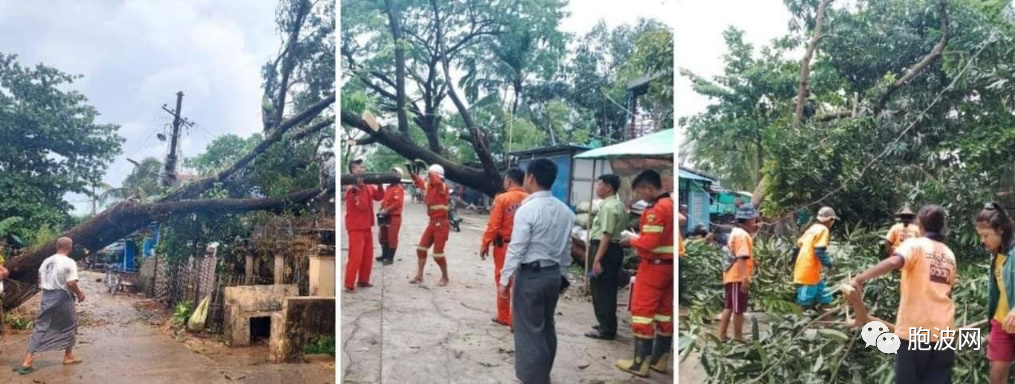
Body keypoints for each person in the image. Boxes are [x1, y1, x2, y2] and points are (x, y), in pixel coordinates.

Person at [848, 205, 957, 383]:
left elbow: (893, 262)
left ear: (919, 224)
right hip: (944, 332)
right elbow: (948, 291)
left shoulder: (915, 244)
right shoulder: (949, 254)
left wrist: (860, 279)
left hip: (915, 329)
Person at [499, 158, 574, 384]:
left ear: (530, 178)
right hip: (552, 275)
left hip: (531, 275)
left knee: (528, 330)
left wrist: (505, 279)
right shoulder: (565, 211)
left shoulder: (528, 210)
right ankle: (544, 375)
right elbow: (566, 248)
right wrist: (563, 274)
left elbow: (517, 247)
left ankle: (533, 379)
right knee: (546, 325)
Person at [616, 170, 674, 377]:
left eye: (641, 192)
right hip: (670, 268)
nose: (641, 197)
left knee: (642, 312)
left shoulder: (655, 210)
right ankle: (659, 360)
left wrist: (631, 240)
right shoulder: (672, 205)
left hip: (653, 268)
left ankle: (640, 363)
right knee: (663, 313)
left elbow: (650, 242)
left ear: (649, 188)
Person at [16, 237, 85, 375]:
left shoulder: (47, 261)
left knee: (42, 325)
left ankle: (29, 359)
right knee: (70, 324)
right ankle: (68, 356)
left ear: (57, 246)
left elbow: (40, 279)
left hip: (47, 295)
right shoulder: (69, 262)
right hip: (62, 296)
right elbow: (71, 283)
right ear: (69, 247)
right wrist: (79, 294)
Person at [480, 168, 529, 328]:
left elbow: (494, 224)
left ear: (509, 180)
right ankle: (517, 318)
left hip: (505, 246)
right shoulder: (529, 199)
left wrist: (485, 243)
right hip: (525, 247)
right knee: (520, 282)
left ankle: (504, 316)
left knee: (503, 279)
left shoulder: (502, 199)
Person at [974, 202, 1015, 384]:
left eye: (986, 235)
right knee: (996, 377)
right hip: (1002, 323)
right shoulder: (997, 258)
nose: (983, 241)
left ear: (1001, 231)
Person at [583, 174, 627, 340]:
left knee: (602, 290)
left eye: (599, 184)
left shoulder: (609, 208)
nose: (596, 187)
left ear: (608, 187)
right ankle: (605, 324)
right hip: (612, 249)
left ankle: (606, 329)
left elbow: (606, 235)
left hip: (604, 249)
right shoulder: (618, 205)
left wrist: (597, 259)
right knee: (606, 289)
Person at [717, 203, 758, 343]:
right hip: (737, 276)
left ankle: (722, 335)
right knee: (738, 308)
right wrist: (745, 278)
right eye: (754, 219)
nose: (755, 222)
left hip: (732, 275)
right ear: (748, 220)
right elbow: (741, 257)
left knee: (729, 306)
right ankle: (738, 336)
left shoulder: (737, 232)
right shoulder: (742, 235)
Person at [343, 159, 384, 293]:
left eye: (364, 167)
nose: (364, 170)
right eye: (361, 167)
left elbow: (378, 197)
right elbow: (362, 206)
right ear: (354, 170)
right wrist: (360, 190)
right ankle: (349, 284)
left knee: (367, 255)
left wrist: (379, 186)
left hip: (366, 226)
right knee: (355, 256)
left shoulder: (367, 186)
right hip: (356, 228)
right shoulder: (352, 189)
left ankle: (363, 280)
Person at [411, 163, 452, 287]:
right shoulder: (430, 186)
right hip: (432, 224)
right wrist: (415, 177)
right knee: (421, 249)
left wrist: (428, 169)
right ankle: (420, 275)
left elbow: (437, 181)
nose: (428, 178)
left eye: (430, 176)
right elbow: (421, 183)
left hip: (442, 225)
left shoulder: (442, 187)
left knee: (438, 254)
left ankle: (445, 277)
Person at [792, 206, 838, 309]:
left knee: (825, 295)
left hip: (813, 273)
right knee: (804, 301)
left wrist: (792, 262)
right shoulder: (823, 230)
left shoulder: (812, 229)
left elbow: (796, 247)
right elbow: (819, 250)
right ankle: (798, 322)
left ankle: (827, 321)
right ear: (830, 220)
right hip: (808, 271)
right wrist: (829, 264)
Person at [376, 167, 405, 266]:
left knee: (392, 237)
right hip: (385, 215)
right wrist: (381, 208)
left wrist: (387, 210)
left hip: (394, 216)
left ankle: (390, 258)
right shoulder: (389, 188)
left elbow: (397, 203)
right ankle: (384, 255)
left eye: (393, 173)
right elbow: (385, 200)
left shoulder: (398, 188)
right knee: (383, 236)